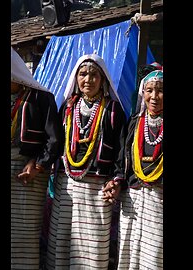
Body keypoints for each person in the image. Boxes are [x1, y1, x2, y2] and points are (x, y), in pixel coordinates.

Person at [46, 54, 126, 269]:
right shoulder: (68, 107)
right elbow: (55, 141)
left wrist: (116, 179)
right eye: (83, 74)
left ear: (103, 80)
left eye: (93, 75)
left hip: (96, 186)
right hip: (67, 184)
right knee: (61, 239)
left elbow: (120, 148)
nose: (88, 80)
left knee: (91, 244)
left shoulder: (112, 110)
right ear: (76, 78)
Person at [10, 47, 61, 269]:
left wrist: (38, 164)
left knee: (23, 229)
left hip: (28, 172)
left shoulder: (41, 97)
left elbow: (54, 138)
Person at [117, 69, 164, 269]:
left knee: (155, 252)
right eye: (149, 90)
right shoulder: (135, 123)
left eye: (161, 91)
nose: (154, 96)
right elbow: (123, 157)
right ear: (142, 93)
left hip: (159, 197)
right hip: (133, 198)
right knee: (128, 248)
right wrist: (118, 180)